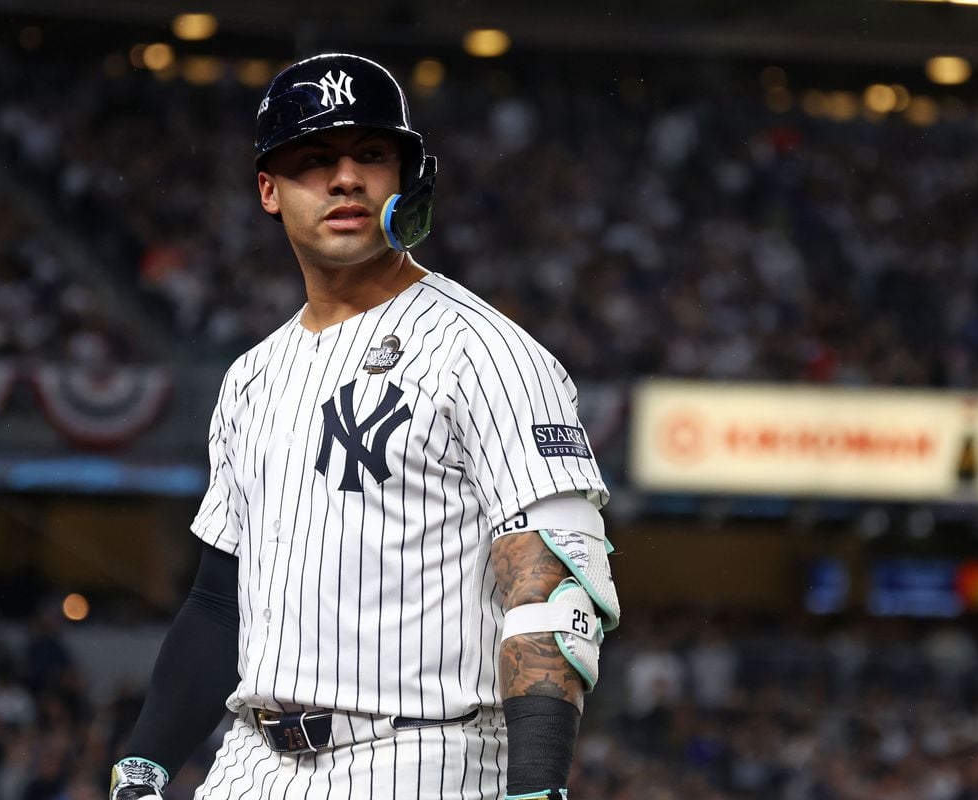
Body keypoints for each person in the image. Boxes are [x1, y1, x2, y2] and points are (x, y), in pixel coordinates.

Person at [107, 53, 620, 800]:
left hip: (422, 759)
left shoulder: (489, 354)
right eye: (314, 160)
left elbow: (553, 589)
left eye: (371, 155)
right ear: (269, 191)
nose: (345, 178)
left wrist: (537, 787)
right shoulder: (252, 377)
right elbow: (221, 601)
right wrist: (146, 760)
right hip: (250, 762)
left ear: (409, 177)